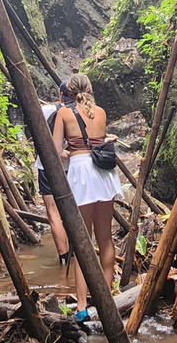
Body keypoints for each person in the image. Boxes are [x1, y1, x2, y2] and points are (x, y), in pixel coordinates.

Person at [51, 73, 122, 321]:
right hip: (104, 175)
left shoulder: (63, 113)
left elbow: (55, 149)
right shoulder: (100, 113)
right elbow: (100, 141)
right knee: (106, 239)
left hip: (82, 174)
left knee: (83, 243)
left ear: (70, 93)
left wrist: (71, 154)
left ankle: (82, 306)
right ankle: (108, 300)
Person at [36, 83, 70, 265]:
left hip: (48, 166)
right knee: (75, 209)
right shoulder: (85, 112)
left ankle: (64, 258)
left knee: (53, 212)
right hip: (75, 167)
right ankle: (79, 251)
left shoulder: (47, 110)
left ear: (61, 94)